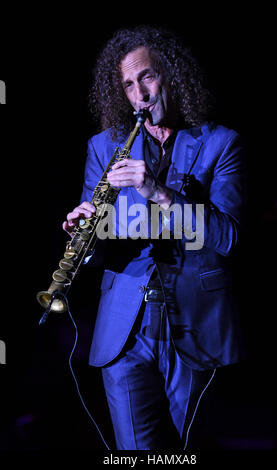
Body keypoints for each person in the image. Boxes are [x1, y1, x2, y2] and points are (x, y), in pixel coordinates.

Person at [62, 25, 247, 450]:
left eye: (146, 77)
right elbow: (100, 239)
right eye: (128, 85)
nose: (139, 95)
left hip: (196, 322)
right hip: (125, 329)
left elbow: (229, 239)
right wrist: (82, 236)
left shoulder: (222, 144)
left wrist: (159, 193)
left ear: (170, 75)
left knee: (190, 453)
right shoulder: (105, 146)